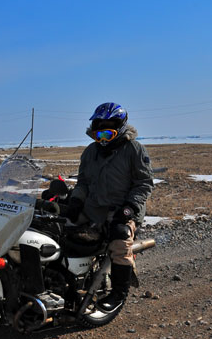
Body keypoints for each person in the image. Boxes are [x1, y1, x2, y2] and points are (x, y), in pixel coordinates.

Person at [66, 102, 155, 311]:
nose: (102, 139)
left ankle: (118, 294)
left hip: (123, 208)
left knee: (119, 238)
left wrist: (130, 207)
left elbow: (144, 183)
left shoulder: (134, 149)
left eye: (107, 133)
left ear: (120, 128)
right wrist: (76, 200)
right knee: (61, 226)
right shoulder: (90, 152)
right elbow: (83, 182)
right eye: (99, 134)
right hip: (94, 206)